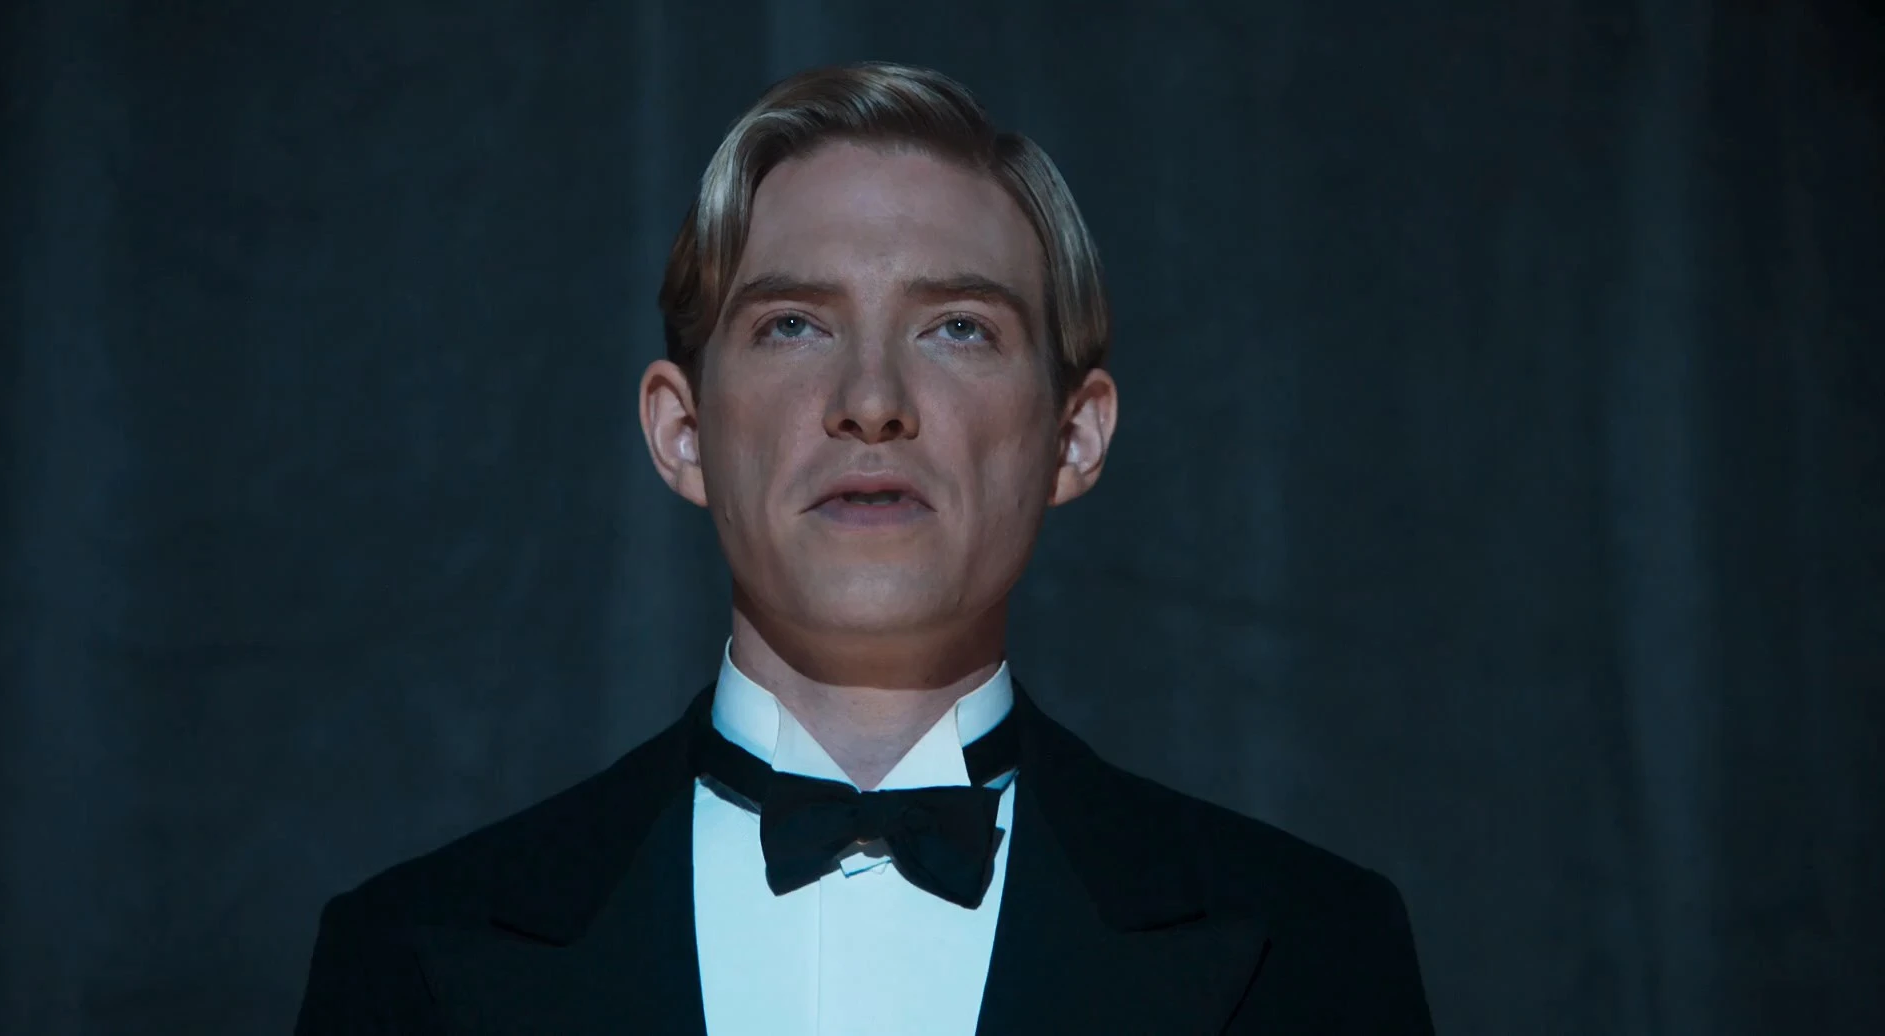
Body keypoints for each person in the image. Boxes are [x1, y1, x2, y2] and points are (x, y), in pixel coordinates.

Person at [294, 61, 1435, 1034]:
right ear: (683, 433)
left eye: (959, 328)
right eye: (793, 324)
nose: (873, 401)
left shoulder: (1314, 949)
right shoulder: (412, 955)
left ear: (1072, 436)